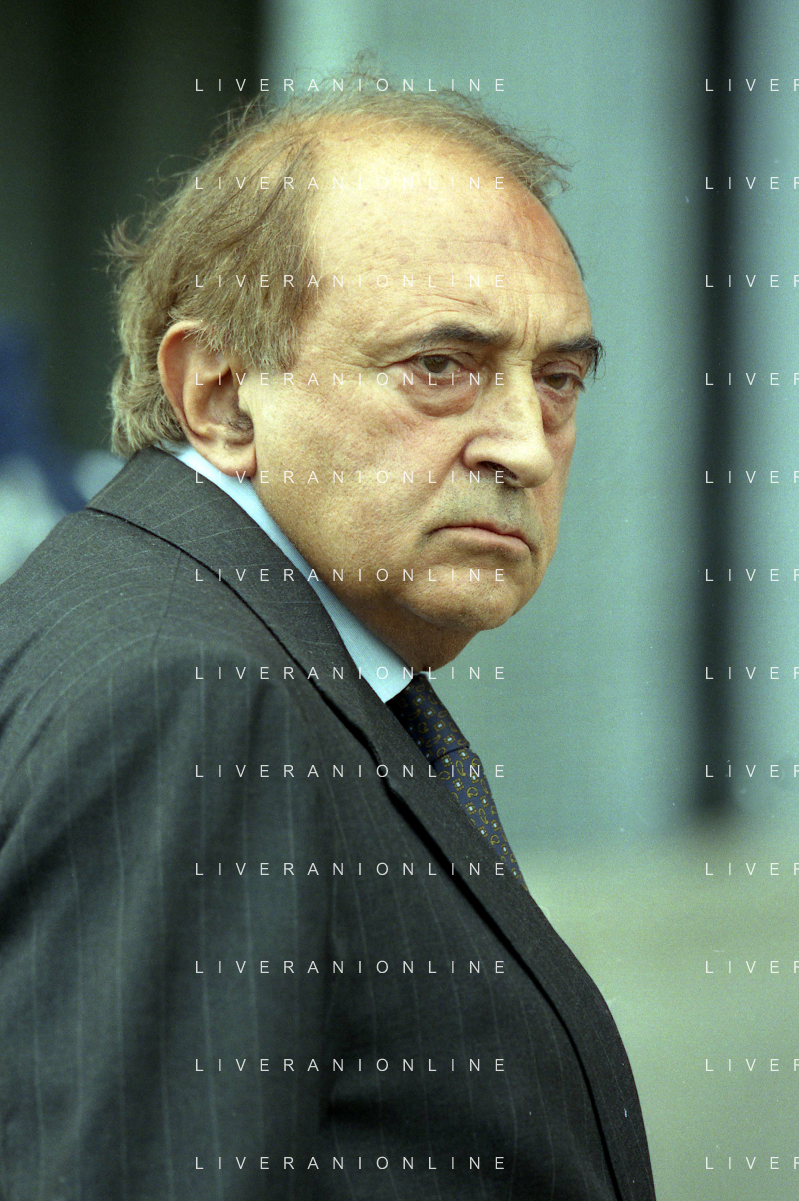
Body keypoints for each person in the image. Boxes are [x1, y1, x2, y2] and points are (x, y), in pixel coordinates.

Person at [0, 82, 655, 1199]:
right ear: (220, 395)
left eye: (557, 380)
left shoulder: (187, 624)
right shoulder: (191, 691)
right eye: (439, 367)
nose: (524, 446)